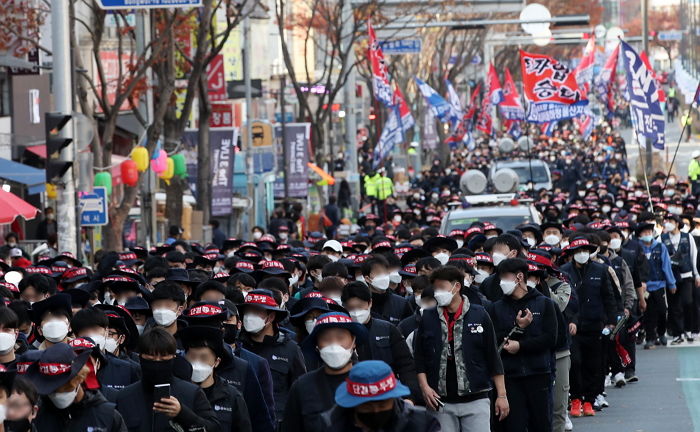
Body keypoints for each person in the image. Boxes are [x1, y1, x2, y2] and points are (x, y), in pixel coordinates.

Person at [414, 266, 507, 431]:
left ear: (456, 287)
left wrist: (501, 395)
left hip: (476, 397)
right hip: (440, 401)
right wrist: (425, 387)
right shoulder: (428, 317)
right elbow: (420, 357)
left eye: (441, 288)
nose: (437, 293)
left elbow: (492, 356)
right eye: (435, 288)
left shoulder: (479, 314)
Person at [487, 258, 557, 432]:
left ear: (519, 277)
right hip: (510, 377)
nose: (501, 282)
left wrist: (521, 346)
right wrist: (517, 328)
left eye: (504, 277)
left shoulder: (544, 303)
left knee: (541, 424)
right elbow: (493, 339)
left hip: (539, 373)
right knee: (513, 425)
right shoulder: (496, 308)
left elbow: (551, 339)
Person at [115, 328, 222, 431]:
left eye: (163, 359)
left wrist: (182, 413)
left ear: (173, 359)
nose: (157, 363)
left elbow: (214, 427)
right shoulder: (125, 396)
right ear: (140, 358)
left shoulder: (192, 393)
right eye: (150, 359)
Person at [560, 237, 617, 417]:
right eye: (578, 251)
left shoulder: (600, 270)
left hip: (595, 326)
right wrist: (570, 320)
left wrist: (611, 321)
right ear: (572, 254)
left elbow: (609, 297)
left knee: (594, 365)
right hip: (573, 327)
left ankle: (589, 400)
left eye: (585, 250)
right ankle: (575, 398)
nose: (582, 254)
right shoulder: (564, 272)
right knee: (575, 363)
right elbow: (564, 300)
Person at [283, 312, 368, 431]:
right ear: (317, 345)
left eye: (340, 337)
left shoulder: (371, 380)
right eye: (326, 339)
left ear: (353, 341)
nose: (334, 344)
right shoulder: (302, 386)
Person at [341, 282, 421, 402]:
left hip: (388, 393)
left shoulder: (387, 329)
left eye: (360, 306)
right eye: (351, 308)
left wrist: (410, 397)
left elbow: (406, 366)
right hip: (356, 395)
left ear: (370, 303)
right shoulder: (341, 334)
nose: (356, 312)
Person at [238, 289, 306, 424]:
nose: (250, 316)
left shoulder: (290, 348)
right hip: (242, 420)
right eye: (247, 311)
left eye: (256, 311)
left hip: (277, 422)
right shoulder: (237, 346)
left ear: (271, 317)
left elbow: (301, 390)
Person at [26, 343, 127, 431]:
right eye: (50, 390)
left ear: (79, 379)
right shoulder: (36, 416)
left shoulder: (107, 416)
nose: (56, 394)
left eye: (63, 388)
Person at [322, 360, 440, 431]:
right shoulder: (331, 424)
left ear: (393, 398)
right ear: (354, 404)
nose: (376, 411)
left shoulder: (422, 424)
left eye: (382, 404)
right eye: (367, 406)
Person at [180, 325, 252, 432]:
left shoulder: (231, 396)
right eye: (192, 357)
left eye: (204, 358)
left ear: (216, 362)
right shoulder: (177, 392)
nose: (197, 362)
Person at [660, 214, 700, 345]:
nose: (668, 223)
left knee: (688, 302)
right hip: (671, 277)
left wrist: (696, 274)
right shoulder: (663, 238)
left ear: (677, 223)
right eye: (667, 221)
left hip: (686, 275)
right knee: (674, 306)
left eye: (671, 221)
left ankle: (688, 330)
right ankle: (678, 333)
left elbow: (693, 255)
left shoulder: (687, 237)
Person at [636, 222, 677, 349]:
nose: (647, 234)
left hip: (659, 285)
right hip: (645, 286)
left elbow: (666, 266)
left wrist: (671, 283)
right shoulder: (638, 249)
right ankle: (650, 338)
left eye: (649, 232)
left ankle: (661, 332)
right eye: (645, 233)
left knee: (662, 310)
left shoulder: (660, 247)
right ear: (640, 235)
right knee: (648, 313)